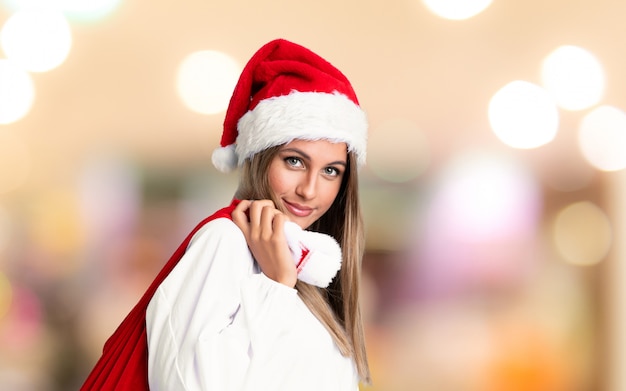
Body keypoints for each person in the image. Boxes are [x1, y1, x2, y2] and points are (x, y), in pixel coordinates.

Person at [80, 38, 371, 390]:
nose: (310, 190)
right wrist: (276, 285)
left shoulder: (310, 267)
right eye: (294, 161)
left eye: (331, 171)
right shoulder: (225, 242)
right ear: (260, 159)